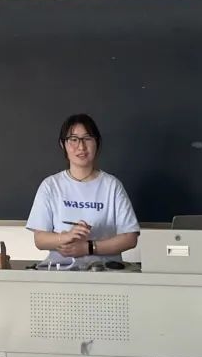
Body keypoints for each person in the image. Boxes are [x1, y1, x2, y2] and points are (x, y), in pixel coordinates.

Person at [26, 113, 140, 264]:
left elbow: (130, 238)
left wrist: (89, 247)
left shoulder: (112, 186)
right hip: (60, 272)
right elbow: (40, 240)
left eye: (87, 139)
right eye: (73, 139)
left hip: (105, 272)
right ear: (63, 144)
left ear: (97, 142)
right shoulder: (51, 185)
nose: (81, 147)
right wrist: (66, 237)